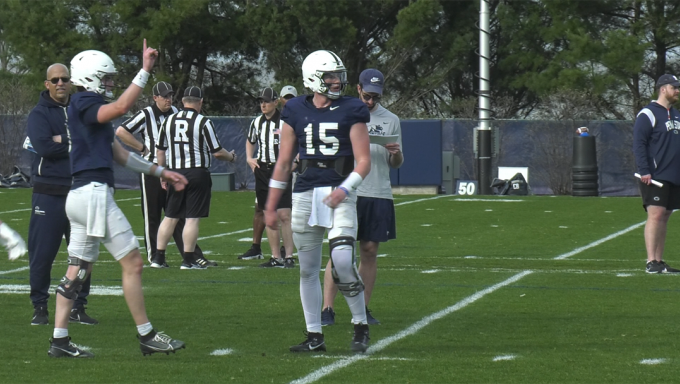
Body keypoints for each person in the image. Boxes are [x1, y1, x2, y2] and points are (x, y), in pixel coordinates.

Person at [48, 40, 188, 358]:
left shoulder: (86, 107)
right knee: (134, 263)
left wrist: (160, 172)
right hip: (93, 195)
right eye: (107, 77)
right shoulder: (83, 101)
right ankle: (146, 335)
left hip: (83, 195)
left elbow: (121, 155)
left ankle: (59, 340)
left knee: (77, 270)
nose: (110, 83)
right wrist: (145, 71)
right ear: (90, 76)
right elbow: (123, 108)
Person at [264, 50, 372, 353]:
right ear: (313, 77)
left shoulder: (352, 108)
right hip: (305, 193)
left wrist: (345, 189)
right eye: (330, 76)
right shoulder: (295, 109)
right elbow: (284, 163)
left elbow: (363, 162)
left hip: (339, 192)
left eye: (338, 75)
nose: (336, 81)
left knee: (341, 262)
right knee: (308, 269)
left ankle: (360, 324)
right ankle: (315, 336)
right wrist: (271, 205)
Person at [321, 69, 404, 326]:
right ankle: (327, 308)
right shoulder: (342, 112)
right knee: (339, 250)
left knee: (369, 251)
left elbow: (397, 164)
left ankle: (363, 310)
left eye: (375, 97)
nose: (370, 101)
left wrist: (395, 152)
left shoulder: (390, 119)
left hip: (378, 191)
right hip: (348, 189)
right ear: (358, 88)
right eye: (367, 95)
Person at [26, 63, 98, 326]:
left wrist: (62, 140)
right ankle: (40, 306)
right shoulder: (38, 114)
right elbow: (44, 146)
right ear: (47, 83)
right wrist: (72, 142)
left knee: (83, 254)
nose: (60, 83)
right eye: (54, 79)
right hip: (49, 192)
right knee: (42, 253)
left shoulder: (79, 109)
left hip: (79, 189)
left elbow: (93, 140)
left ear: (71, 82)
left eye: (64, 79)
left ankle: (78, 306)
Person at [115, 81, 210, 268]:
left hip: (173, 169)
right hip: (151, 169)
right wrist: (142, 148)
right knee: (153, 213)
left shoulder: (176, 112)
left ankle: (190, 255)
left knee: (177, 213)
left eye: (170, 95)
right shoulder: (146, 114)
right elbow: (121, 131)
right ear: (155, 98)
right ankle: (154, 256)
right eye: (164, 96)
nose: (168, 99)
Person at [156, 86, 237, 270]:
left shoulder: (168, 121)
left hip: (174, 172)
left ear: (183, 101)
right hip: (196, 173)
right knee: (192, 218)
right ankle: (188, 260)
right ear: (200, 102)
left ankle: (158, 258)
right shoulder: (203, 122)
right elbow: (217, 152)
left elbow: (160, 150)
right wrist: (231, 156)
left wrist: (163, 173)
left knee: (170, 216)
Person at [238, 85, 298, 261]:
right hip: (263, 170)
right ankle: (275, 257)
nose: (263, 105)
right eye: (261, 102)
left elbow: (301, 141)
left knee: (285, 215)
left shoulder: (286, 121)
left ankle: (288, 255)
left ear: (276, 102)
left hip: (281, 169)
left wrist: (295, 161)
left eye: (266, 101)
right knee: (268, 213)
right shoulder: (257, 122)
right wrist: (249, 158)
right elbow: (250, 141)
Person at [633, 73, 680, 274]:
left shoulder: (676, 114)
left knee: (665, 215)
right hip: (655, 175)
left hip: (674, 174)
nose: (677, 91)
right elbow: (639, 143)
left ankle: (659, 261)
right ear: (663, 89)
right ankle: (651, 261)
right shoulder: (648, 114)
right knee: (656, 214)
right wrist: (645, 170)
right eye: (674, 87)